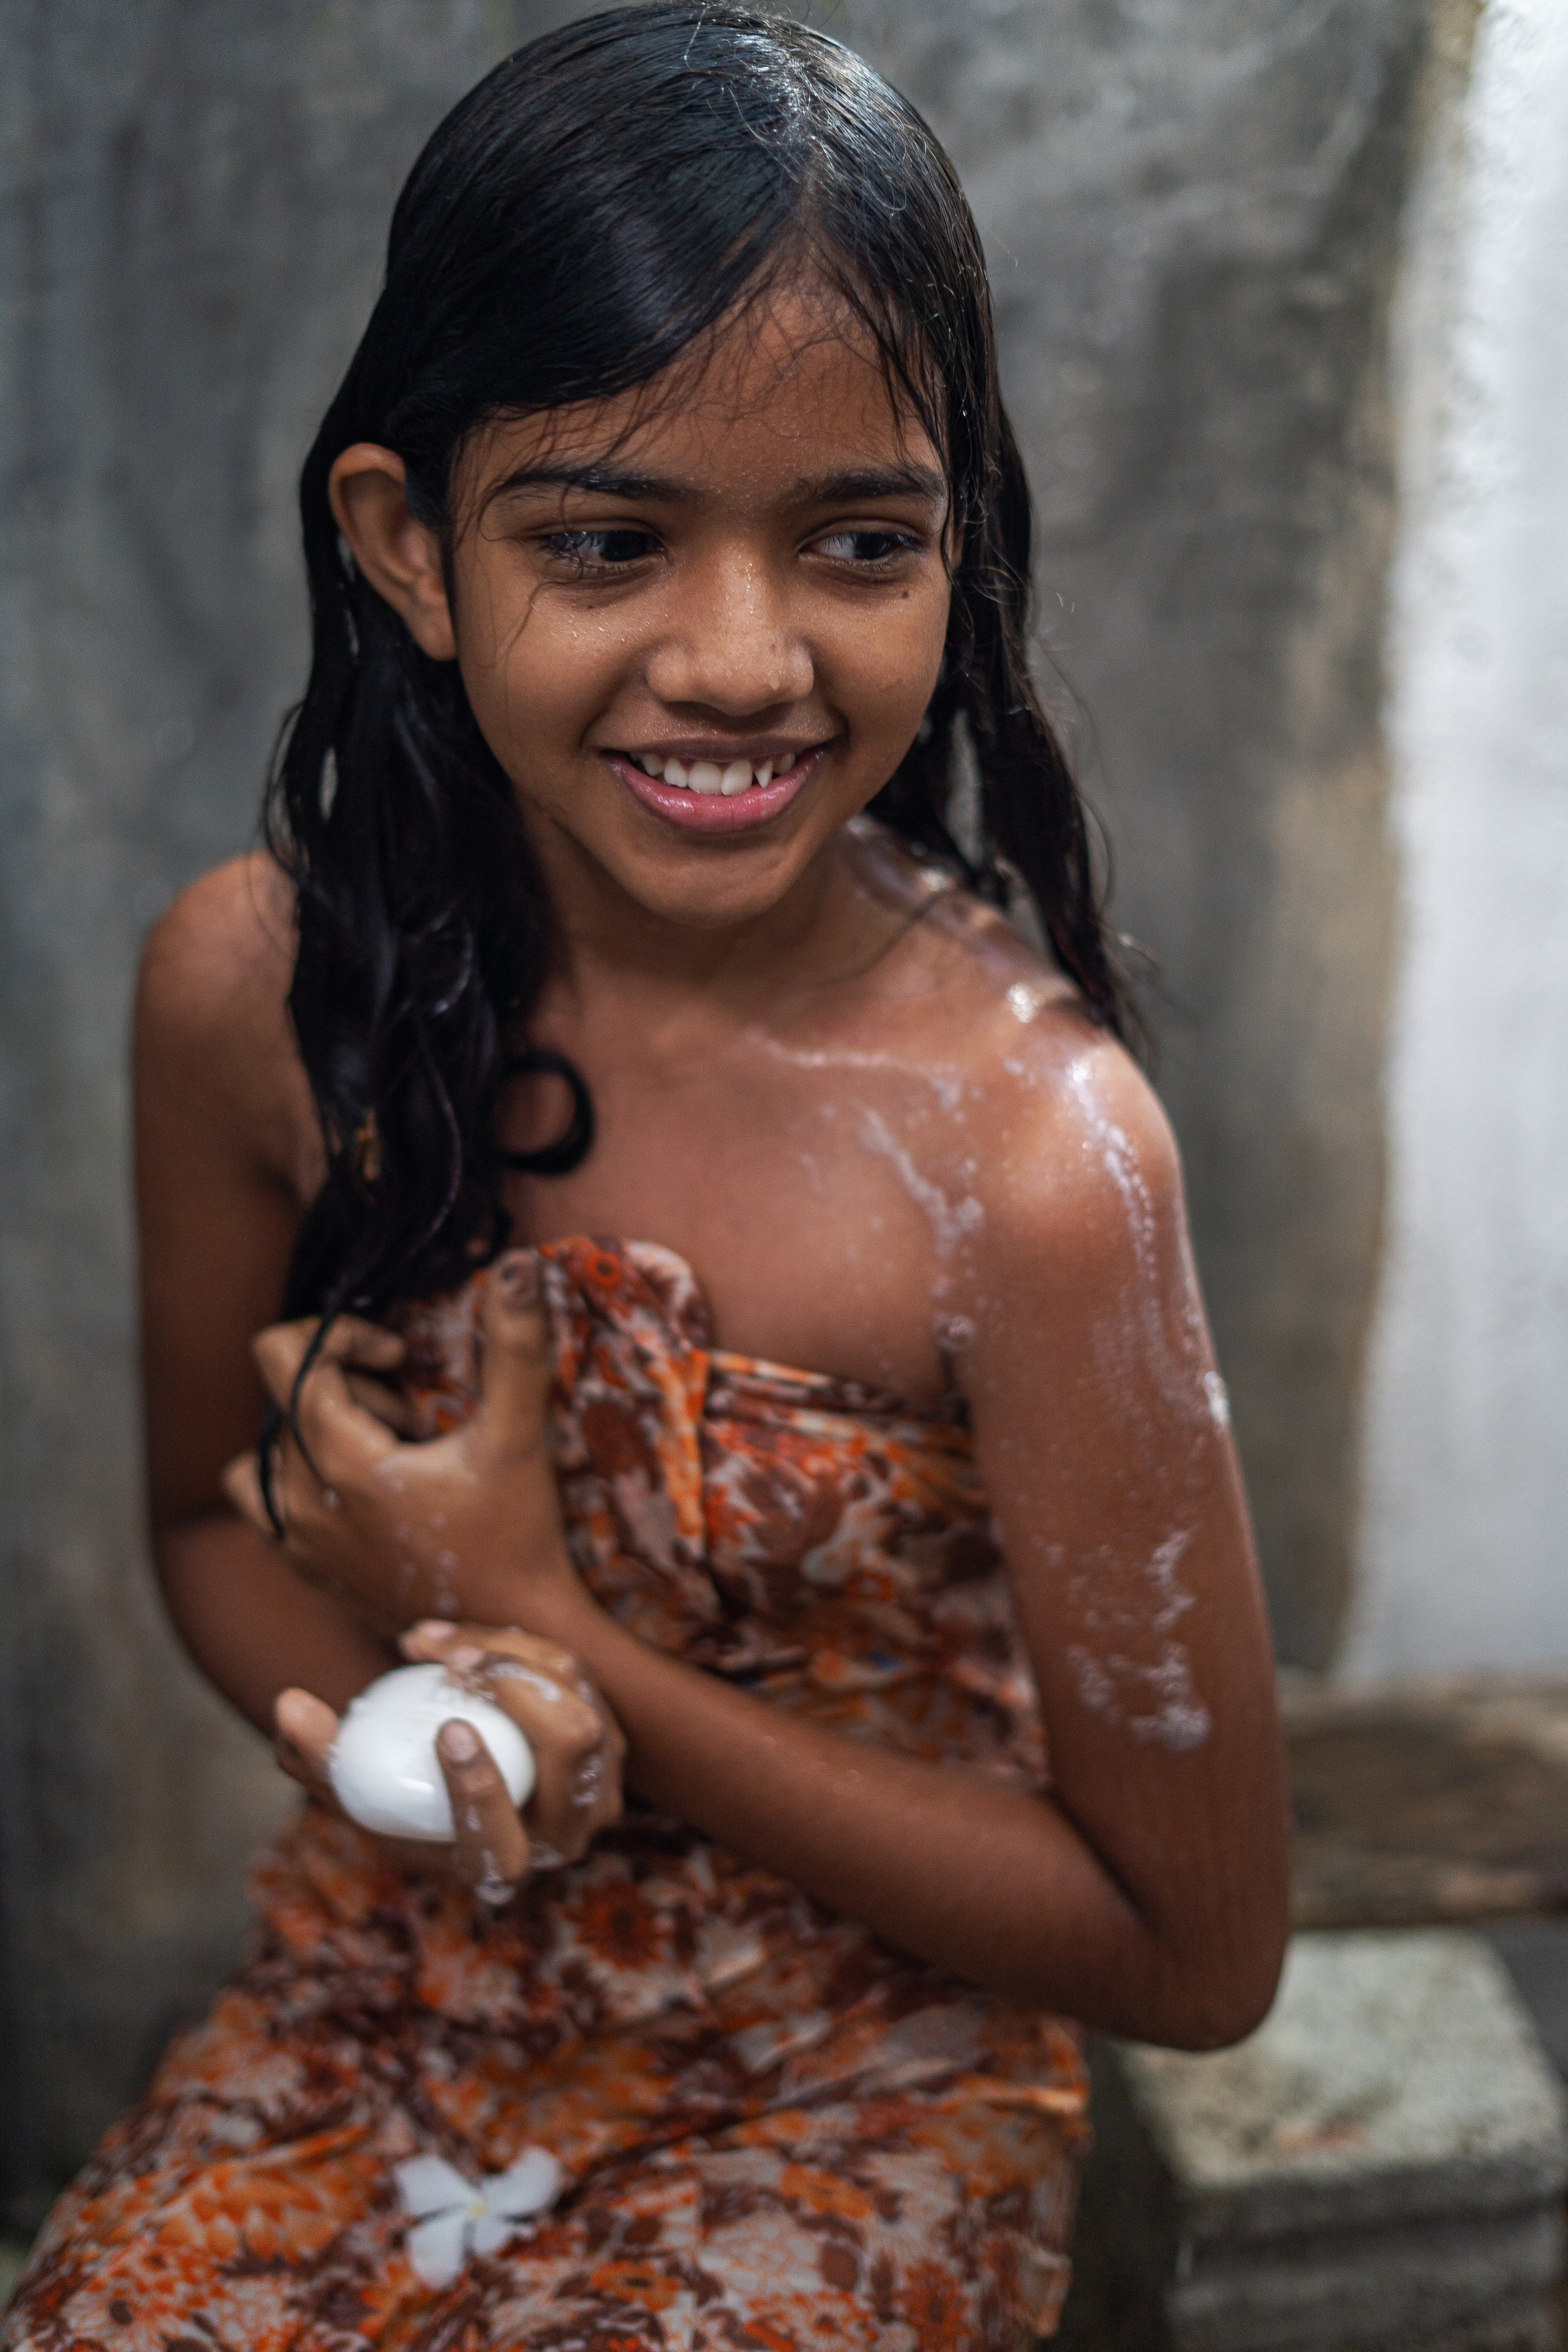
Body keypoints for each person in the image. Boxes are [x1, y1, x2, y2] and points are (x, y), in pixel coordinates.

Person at [3, 9, 1289, 2346]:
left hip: (864, 2064)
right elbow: (206, 1521)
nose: (738, 658)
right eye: (604, 539)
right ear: (408, 547)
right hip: (406, 1975)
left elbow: (1192, 1955)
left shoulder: (1035, 1161)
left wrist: (586, 1659)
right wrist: (448, 1749)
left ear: (954, 555)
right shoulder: (259, 1001)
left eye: (857, 543)